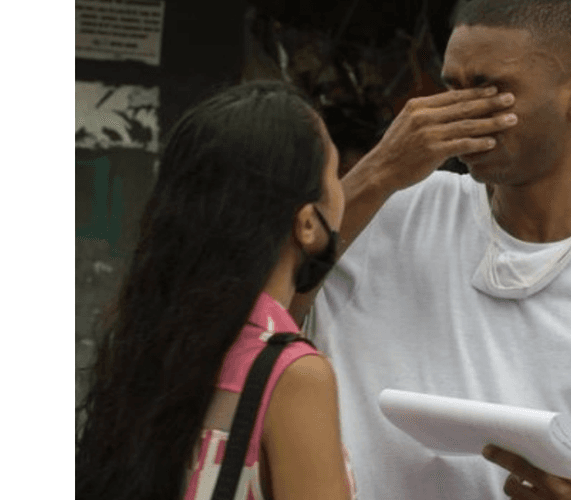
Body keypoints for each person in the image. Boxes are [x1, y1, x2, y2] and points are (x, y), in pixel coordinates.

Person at [297, 1, 571, 499]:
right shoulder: (383, 215)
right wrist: (380, 170)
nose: (463, 111)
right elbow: (257, 308)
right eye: (452, 88)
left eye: (493, 90)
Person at [74, 80, 515, 500]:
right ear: (306, 223)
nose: (343, 188)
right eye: (333, 171)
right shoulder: (292, 373)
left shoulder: (151, 341)